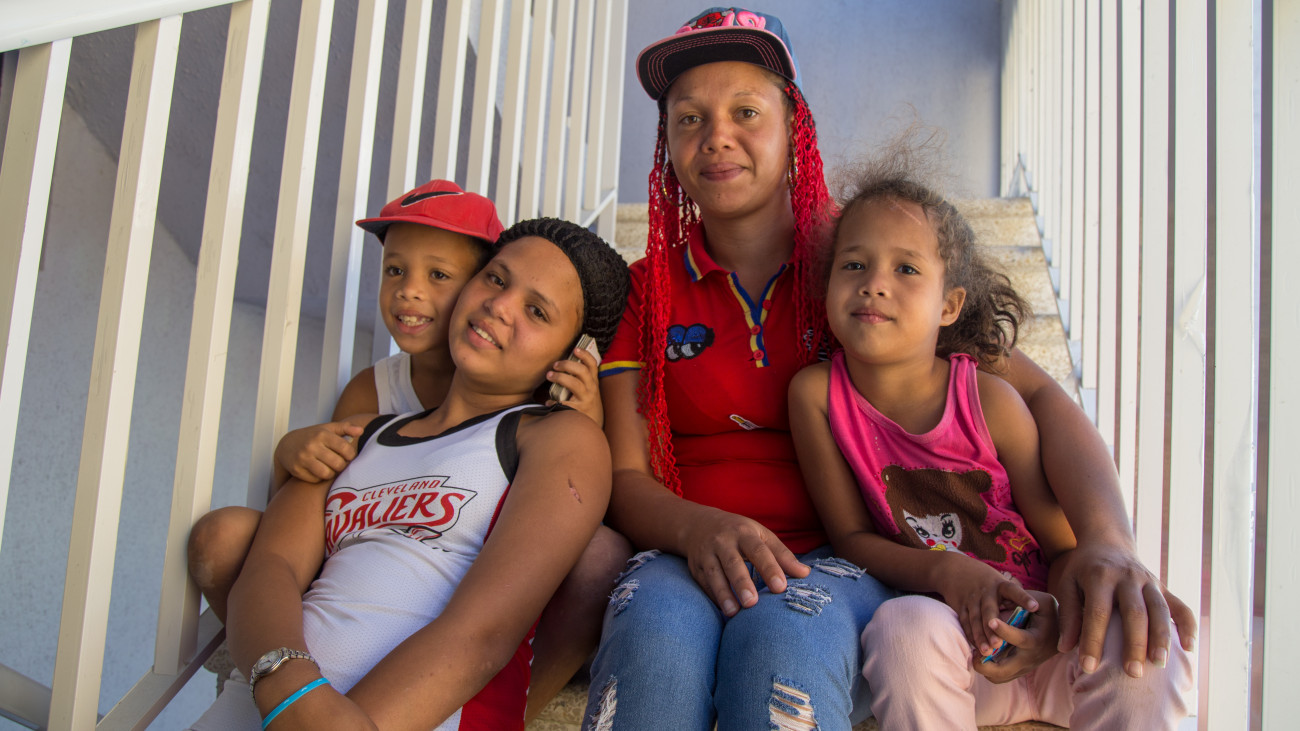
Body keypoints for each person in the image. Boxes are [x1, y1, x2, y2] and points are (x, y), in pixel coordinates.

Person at [587, 6, 1194, 729]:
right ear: (667, 142)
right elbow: (626, 477)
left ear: (795, 125)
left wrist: (1105, 541)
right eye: (689, 118)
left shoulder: (865, 260)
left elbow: (1037, 395)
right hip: (683, 544)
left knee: (783, 639)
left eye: (746, 111)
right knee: (652, 634)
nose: (716, 135)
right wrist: (698, 530)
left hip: (844, 561)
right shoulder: (646, 289)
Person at [186, 180, 629, 720]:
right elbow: (270, 567)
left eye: (537, 311)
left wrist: (327, 721)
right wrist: (292, 690)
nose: (498, 305)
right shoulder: (360, 430)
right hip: (269, 704)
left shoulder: (556, 440)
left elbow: (483, 635)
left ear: (574, 353)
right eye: (496, 279)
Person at [788, 155, 1194, 728]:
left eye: (906, 269)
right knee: (902, 626)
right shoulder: (816, 396)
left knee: (1144, 634)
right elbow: (851, 538)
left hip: (1056, 645)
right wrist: (944, 572)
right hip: (955, 652)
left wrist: (1054, 619)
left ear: (949, 305)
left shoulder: (990, 400)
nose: (874, 283)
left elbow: (1062, 547)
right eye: (854, 264)